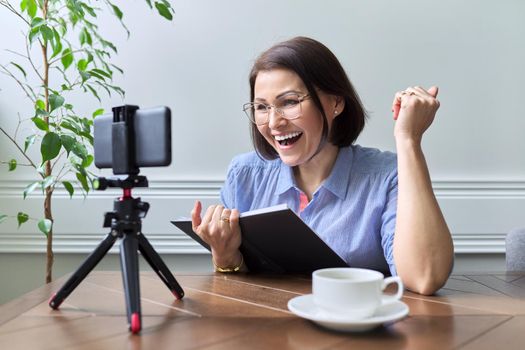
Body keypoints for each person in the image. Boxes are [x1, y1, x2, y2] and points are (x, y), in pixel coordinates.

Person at [191, 36, 454, 295]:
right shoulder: (245, 175)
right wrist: (225, 258)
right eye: (261, 107)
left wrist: (408, 139)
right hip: (267, 334)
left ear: (336, 102)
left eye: (290, 102)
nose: (273, 123)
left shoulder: (385, 177)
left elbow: (425, 277)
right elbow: (238, 293)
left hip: (359, 333)